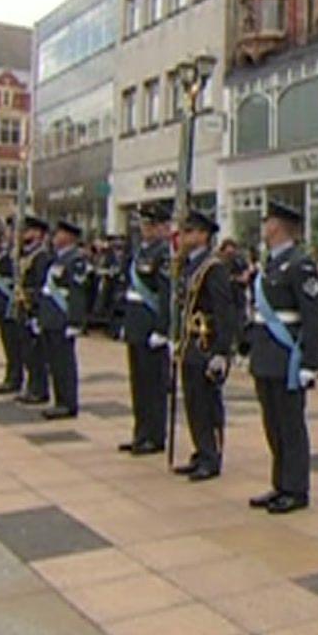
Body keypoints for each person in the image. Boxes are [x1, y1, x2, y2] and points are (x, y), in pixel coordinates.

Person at [246, 199, 318, 515]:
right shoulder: (270, 263)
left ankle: (296, 488)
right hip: (266, 353)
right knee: (273, 424)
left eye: (267, 222)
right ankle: (280, 483)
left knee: (291, 425)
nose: (264, 228)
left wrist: (309, 363)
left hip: (287, 355)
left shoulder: (300, 264)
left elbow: (313, 316)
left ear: (276, 226)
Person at [174, 210, 238, 481]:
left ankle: (212, 456)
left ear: (203, 235)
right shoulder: (190, 265)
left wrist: (221, 352)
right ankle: (200, 451)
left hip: (206, 343)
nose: (184, 237)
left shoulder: (214, 268)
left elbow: (225, 311)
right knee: (192, 401)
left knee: (207, 402)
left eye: (190, 232)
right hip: (191, 341)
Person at [120, 202, 173, 454]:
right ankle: (140, 432)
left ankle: (155, 435)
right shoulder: (140, 253)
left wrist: (163, 330)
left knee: (154, 386)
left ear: (164, 227)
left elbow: (166, 296)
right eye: (144, 224)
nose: (146, 229)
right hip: (136, 325)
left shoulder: (164, 255)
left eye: (152, 225)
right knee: (138, 384)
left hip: (152, 327)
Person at [36, 221, 90, 420]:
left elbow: (77, 293)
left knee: (64, 363)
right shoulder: (57, 259)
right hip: (51, 317)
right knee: (54, 362)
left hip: (62, 317)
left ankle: (68, 402)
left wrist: (75, 322)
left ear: (69, 237)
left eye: (58, 234)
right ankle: (59, 400)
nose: (55, 237)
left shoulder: (75, 260)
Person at [0, 221, 29, 396]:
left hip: (13, 303)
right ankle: (11, 376)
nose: (9, 234)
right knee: (8, 343)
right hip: (3, 304)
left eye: (12, 231)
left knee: (15, 344)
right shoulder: (6, 252)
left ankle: (16, 378)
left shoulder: (20, 254)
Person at [16, 218, 53, 406]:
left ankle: (39, 389)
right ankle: (32, 386)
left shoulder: (41, 256)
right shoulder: (28, 254)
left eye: (29, 231)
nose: (24, 234)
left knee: (37, 352)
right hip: (25, 306)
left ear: (38, 233)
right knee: (27, 351)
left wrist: (36, 310)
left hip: (34, 309)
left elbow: (41, 284)